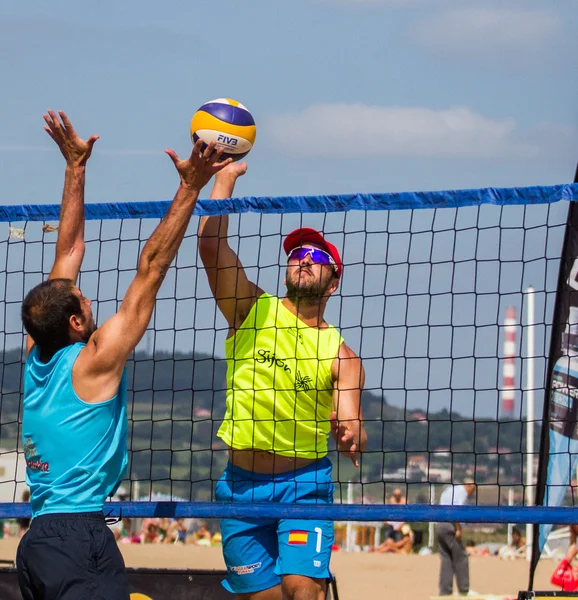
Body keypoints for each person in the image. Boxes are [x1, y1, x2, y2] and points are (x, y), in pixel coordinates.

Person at [16, 109, 232, 600]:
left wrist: (75, 169)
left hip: (37, 542)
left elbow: (67, 252)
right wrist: (191, 186)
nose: (90, 299)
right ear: (75, 323)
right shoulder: (93, 361)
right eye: (84, 304)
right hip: (78, 537)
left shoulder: (36, 355)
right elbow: (151, 268)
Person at [198, 162, 367, 600]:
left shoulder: (343, 356)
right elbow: (212, 247)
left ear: (333, 283)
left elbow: (352, 421)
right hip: (240, 486)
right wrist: (226, 179)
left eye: (318, 257)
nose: (305, 259)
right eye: (297, 254)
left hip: (304, 486)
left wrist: (352, 433)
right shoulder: (251, 308)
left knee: (301, 591)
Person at [436, 480, 476, 596]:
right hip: (450, 526)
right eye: (474, 488)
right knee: (461, 557)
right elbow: (454, 510)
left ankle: (445, 591)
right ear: (469, 486)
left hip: (440, 524)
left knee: (446, 558)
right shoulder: (461, 493)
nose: (473, 492)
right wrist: (458, 528)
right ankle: (464, 589)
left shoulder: (450, 489)